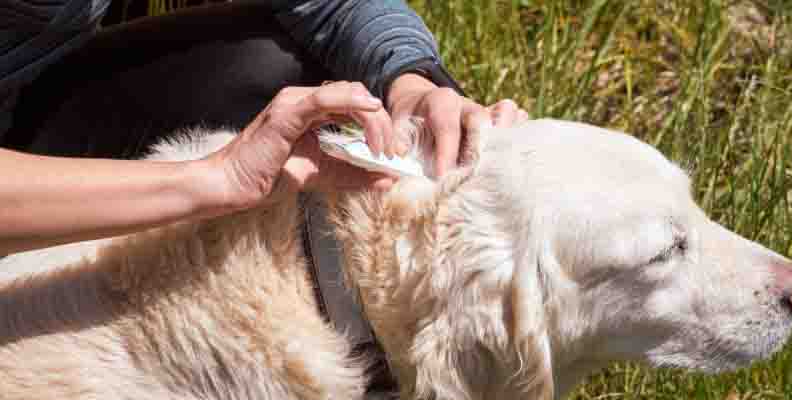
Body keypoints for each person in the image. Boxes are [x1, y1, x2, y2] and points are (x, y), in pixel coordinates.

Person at [0, 0, 527, 257]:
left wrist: (408, 80)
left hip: (27, 96)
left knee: (284, 67)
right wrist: (211, 178)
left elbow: (334, 6)